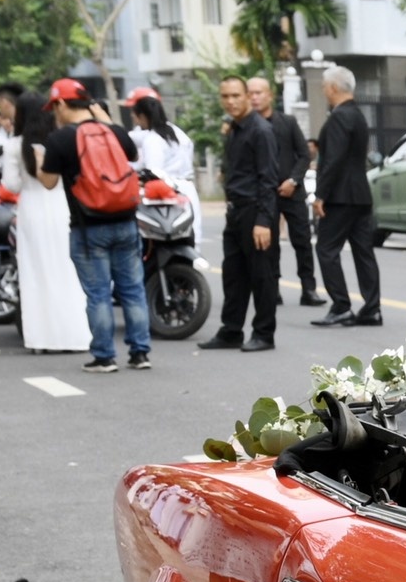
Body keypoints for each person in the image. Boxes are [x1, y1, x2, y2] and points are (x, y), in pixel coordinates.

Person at [35, 79, 151, 373]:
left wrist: (39, 161)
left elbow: (48, 183)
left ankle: (104, 356)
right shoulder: (113, 131)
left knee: (98, 293)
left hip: (88, 228)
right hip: (126, 222)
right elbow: (132, 155)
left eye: (55, 107)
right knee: (133, 290)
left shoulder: (60, 139)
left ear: (61, 104)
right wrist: (106, 120)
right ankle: (140, 354)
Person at [202, 74, 281, 350]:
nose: (231, 101)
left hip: (255, 212)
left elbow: (269, 179)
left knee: (261, 274)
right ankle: (231, 330)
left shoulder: (261, 130)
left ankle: (263, 333)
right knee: (233, 273)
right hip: (235, 212)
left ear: (248, 96)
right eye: (225, 96)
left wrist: (262, 220)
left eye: (236, 95)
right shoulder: (234, 129)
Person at [7, 85, 85, 354]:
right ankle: (76, 335)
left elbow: (11, 184)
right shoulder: (61, 139)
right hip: (62, 206)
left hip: (31, 210)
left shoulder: (14, 146)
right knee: (67, 270)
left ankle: (42, 339)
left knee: (35, 273)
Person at [309, 65, 382, 325]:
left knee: (326, 249)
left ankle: (341, 305)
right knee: (364, 252)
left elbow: (334, 160)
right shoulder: (358, 115)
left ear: (333, 88)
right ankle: (372, 308)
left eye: (324, 87)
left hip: (340, 196)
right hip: (360, 195)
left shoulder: (339, 117)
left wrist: (320, 195)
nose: (323, 91)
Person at [246, 76, 323, 309]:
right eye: (251, 93)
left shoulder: (287, 122)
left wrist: (293, 180)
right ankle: (272, 289)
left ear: (269, 95)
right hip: (263, 195)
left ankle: (308, 289)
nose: (255, 97)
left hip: (292, 191)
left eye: (260, 92)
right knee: (268, 245)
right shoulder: (247, 127)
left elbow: (304, 154)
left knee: (302, 241)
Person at [126, 89, 200, 225]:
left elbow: (153, 173)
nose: (132, 117)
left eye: (133, 112)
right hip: (187, 190)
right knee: (192, 238)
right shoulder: (176, 132)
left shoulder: (153, 139)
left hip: (167, 194)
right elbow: (131, 137)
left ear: (142, 115)